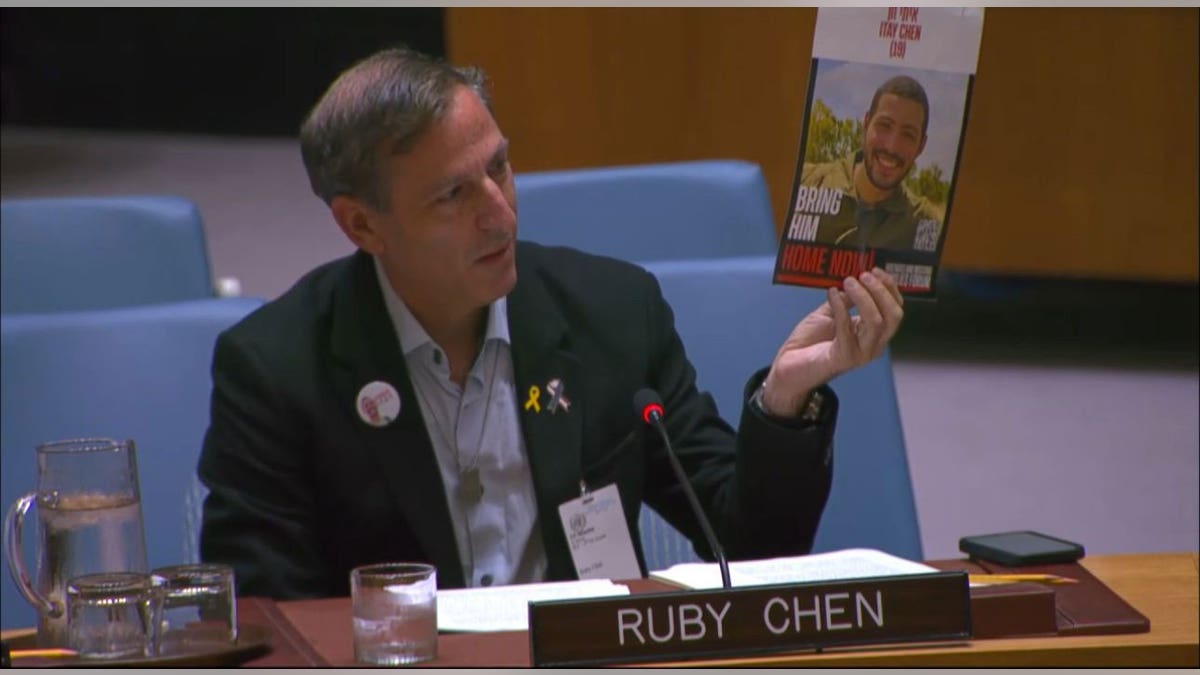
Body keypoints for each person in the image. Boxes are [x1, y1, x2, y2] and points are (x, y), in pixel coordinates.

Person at [197, 47, 906, 599]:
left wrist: (781, 403)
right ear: (361, 223)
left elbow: (747, 544)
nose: (499, 212)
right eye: (452, 194)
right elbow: (269, 617)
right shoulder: (277, 369)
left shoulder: (612, 313)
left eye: (499, 168)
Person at [801, 75, 943, 251]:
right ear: (866, 123)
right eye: (884, 125)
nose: (892, 147)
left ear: (921, 146)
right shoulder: (804, 182)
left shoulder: (925, 223)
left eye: (908, 135)